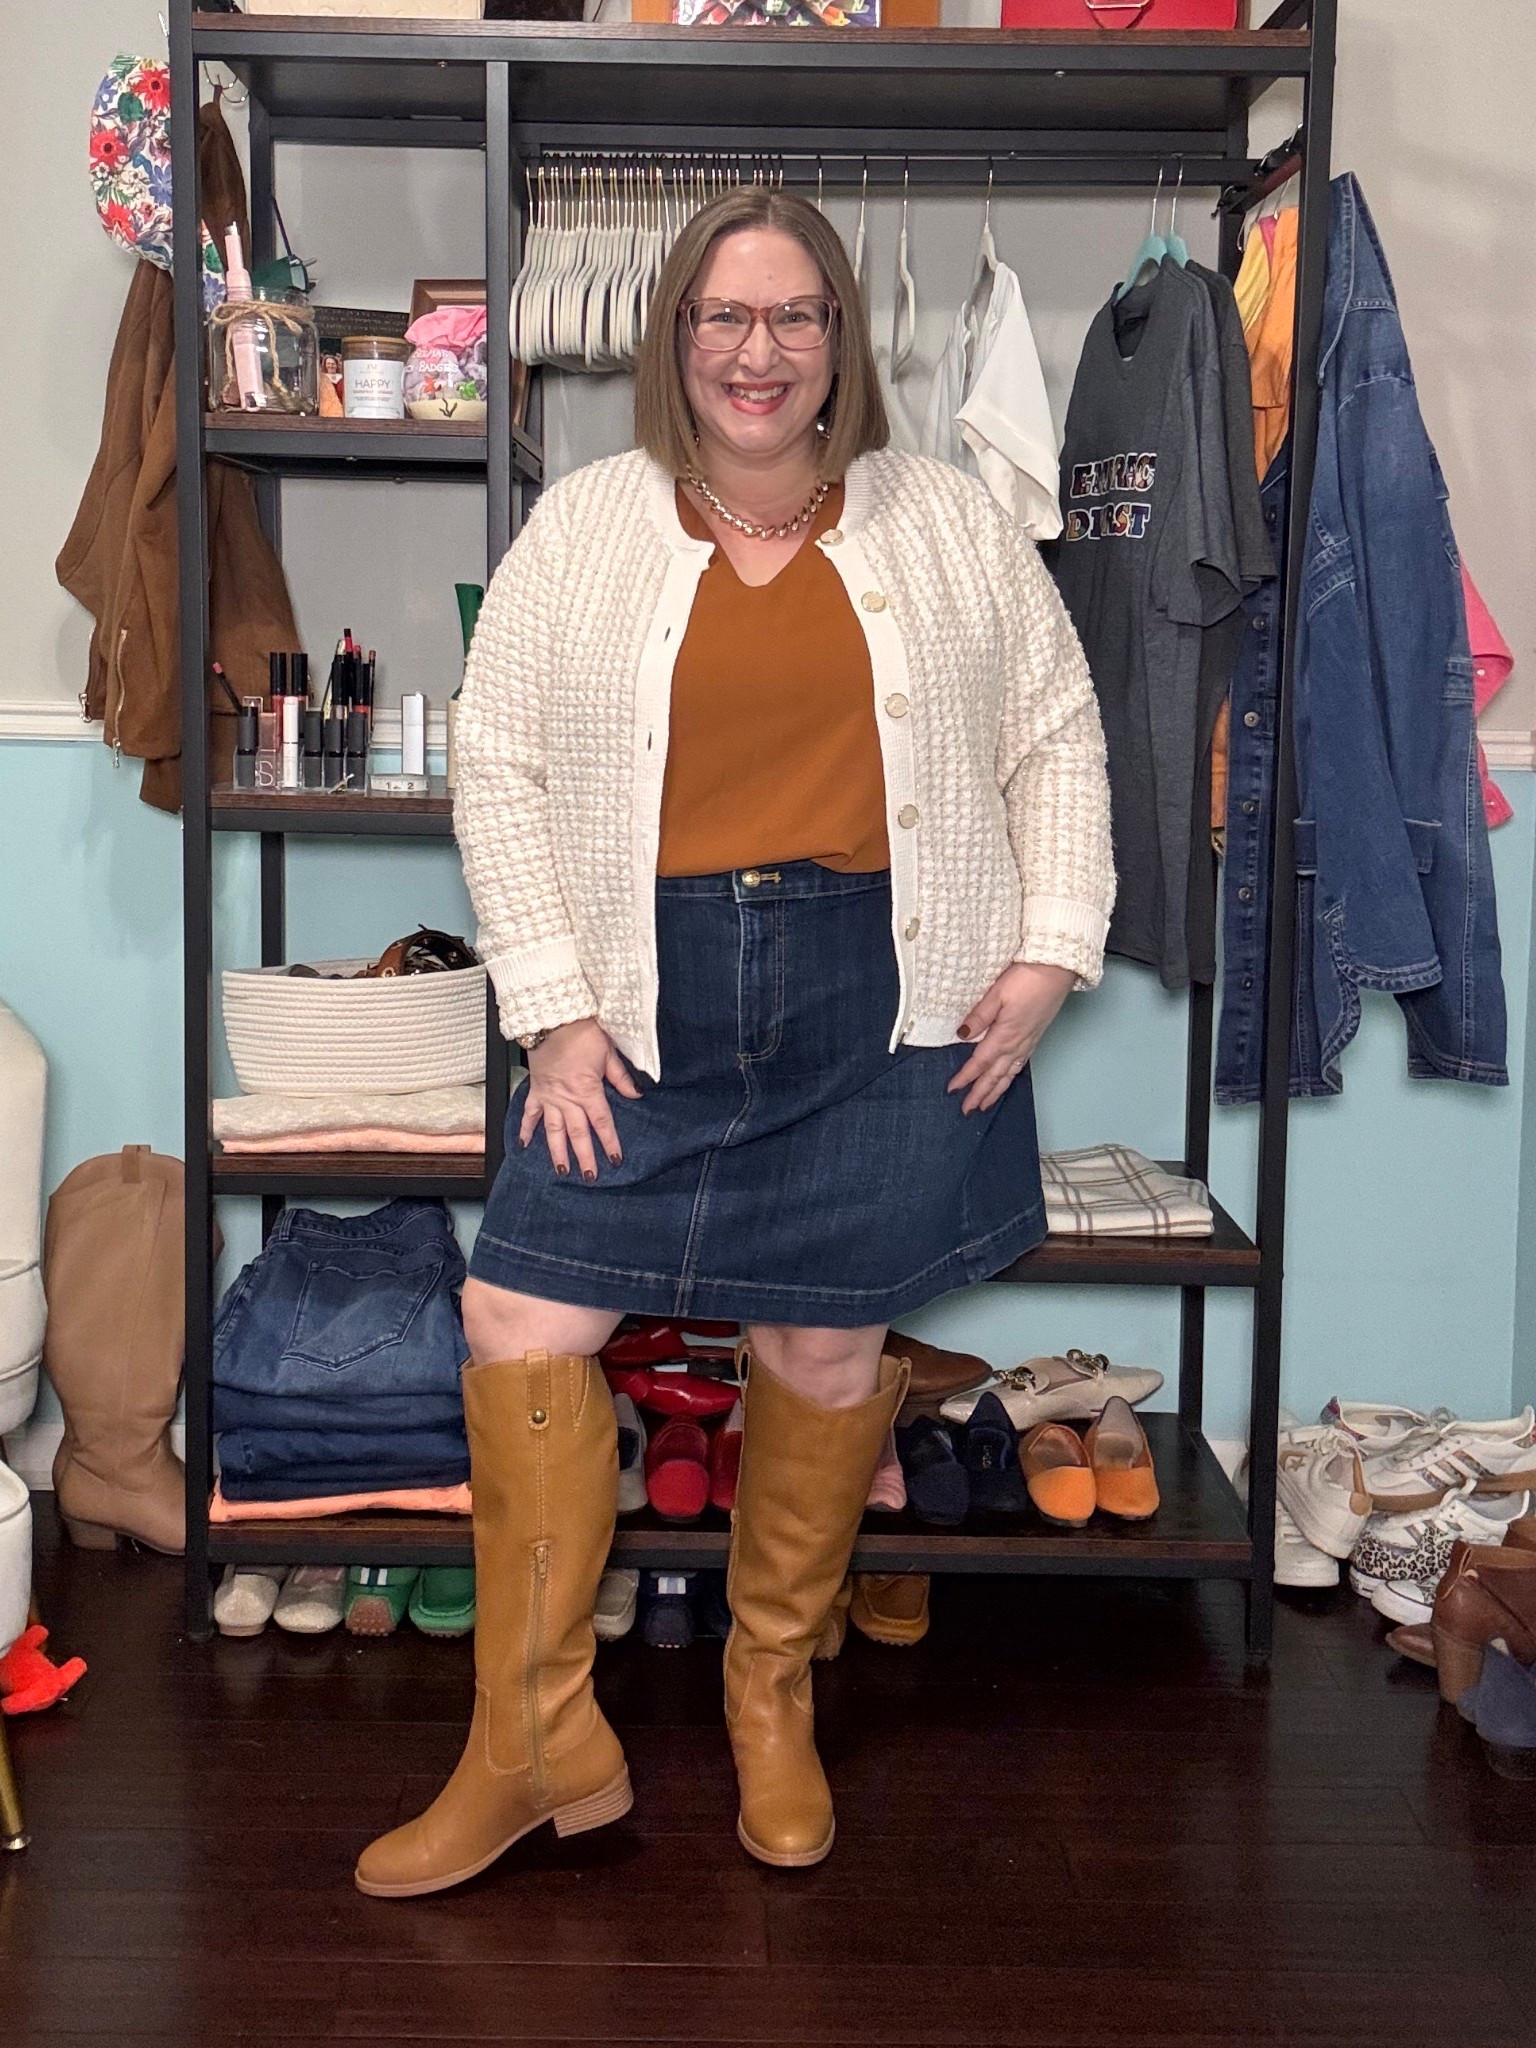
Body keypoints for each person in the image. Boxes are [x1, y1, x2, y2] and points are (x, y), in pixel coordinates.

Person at [354, 187, 1114, 1899]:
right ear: (673, 341)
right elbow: (503, 766)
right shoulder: (591, 527)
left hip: (880, 987)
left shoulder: (948, 523)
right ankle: (536, 1741)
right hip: (643, 999)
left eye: (792, 318)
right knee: (517, 1309)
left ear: (841, 342)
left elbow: (1059, 731)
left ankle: (770, 1684)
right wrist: (548, 1006)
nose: (755, 352)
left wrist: (1054, 948)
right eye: (722, 318)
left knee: (831, 1352)